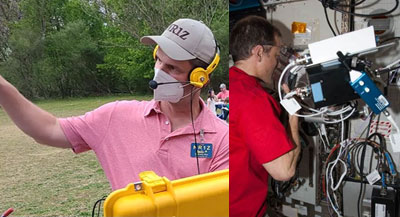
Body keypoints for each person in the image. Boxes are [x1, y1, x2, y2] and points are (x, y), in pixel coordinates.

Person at [0, 18, 229, 191]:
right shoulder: (116, 116)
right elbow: (47, 130)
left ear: (201, 77)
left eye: (172, 68)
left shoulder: (223, 141)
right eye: (159, 60)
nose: (159, 72)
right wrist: (3, 88)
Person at [229, 15, 301, 217]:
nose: (277, 63)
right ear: (259, 52)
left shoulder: (230, 86)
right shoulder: (253, 99)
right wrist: (294, 118)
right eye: (276, 55)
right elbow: (284, 171)